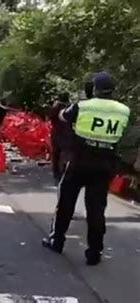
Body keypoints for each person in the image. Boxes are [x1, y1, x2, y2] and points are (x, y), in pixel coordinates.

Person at [42, 72, 131, 266]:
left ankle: (57, 241)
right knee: (96, 210)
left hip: (80, 161)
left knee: (65, 202)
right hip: (105, 165)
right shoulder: (123, 110)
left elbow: (63, 117)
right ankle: (94, 252)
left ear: (94, 88)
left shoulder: (83, 106)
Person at [49, 93, 72, 183]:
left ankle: (56, 173)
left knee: (56, 153)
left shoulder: (56, 107)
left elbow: (51, 118)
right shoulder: (71, 108)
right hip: (68, 133)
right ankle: (65, 170)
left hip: (57, 132)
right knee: (66, 152)